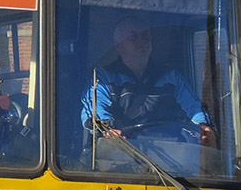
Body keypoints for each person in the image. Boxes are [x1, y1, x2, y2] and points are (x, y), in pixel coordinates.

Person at [80, 17, 212, 142]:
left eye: (145, 36)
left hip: (172, 154)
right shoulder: (103, 77)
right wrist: (108, 130)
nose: (141, 41)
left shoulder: (171, 77)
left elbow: (195, 108)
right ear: (118, 47)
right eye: (133, 37)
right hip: (121, 151)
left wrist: (204, 127)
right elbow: (93, 110)